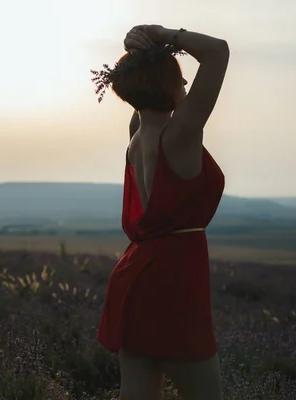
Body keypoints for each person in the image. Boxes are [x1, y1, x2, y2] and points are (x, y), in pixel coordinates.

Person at [91, 24, 230, 400]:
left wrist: (138, 52)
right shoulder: (180, 136)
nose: (186, 88)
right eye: (181, 83)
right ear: (167, 88)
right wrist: (161, 33)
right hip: (174, 282)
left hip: (135, 279)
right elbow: (218, 52)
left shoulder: (137, 133)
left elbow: (140, 87)